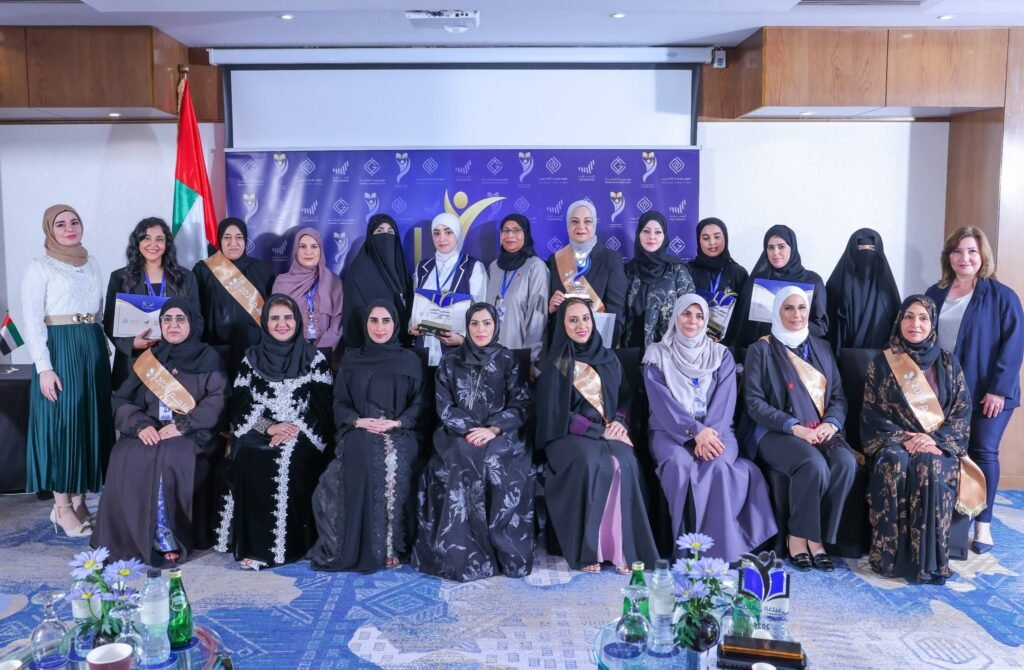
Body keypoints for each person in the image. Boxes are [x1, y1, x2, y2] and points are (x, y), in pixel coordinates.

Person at [91, 298, 228, 565]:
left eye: (180, 319)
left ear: (192, 323)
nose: (173, 325)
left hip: (192, 431)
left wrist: (183, 425)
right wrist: (141, 425)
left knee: (171, 459)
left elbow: (218, 399)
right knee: (125, 454)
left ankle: (166, 539)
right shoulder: (149, 359)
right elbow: (122, 399)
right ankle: (127, 538)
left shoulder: (209, 357)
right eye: (167, 319)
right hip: (150, 427)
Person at [643, 294, 777, 562]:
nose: (692, 321)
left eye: (699, 316)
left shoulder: (721, 355)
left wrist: (707, 433)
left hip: (717, 430)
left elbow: (725, 402)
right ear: (676, 316)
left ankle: (717, 553)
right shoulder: (657, 354)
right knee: (680, 465)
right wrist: (695, 431)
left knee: (717, 465)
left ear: (706, 321)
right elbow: (661, 403)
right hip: (669, 431)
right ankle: (685, 551)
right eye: (686, 314)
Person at [535, 298, 659, 573]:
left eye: (585, 318)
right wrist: (599, 431)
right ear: (562, 325)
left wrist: (620, 423)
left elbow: (627, 398)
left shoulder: (609, 358)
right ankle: (589, 551)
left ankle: (623, 550)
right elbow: (556, 413)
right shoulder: (559, 363)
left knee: (625, 461)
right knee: (591, 464)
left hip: (609, 432)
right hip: (568, 435)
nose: (581, 325)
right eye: (573, 320)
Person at [413, 303, 535, 581]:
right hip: (458, 433)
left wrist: (493, 429)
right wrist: (472, 429)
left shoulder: (508, 360)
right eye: (474, 324)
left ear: (495, 326)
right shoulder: (450, 361)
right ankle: (464, 557)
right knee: (462, 456)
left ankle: (502, 551)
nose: (481, 330)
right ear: (467, 327)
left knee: (493, 461)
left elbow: (521, 405)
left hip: (502, 433)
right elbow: (445, 408)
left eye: (486, 323)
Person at [308, 300, 430, 572]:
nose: (379, 327)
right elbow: (340, 401)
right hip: (359, 429)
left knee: (395, 462)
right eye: (373, 320)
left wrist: (398, 422)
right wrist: (357, 420)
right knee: (364, 457)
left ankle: (391, 546)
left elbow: (421, 403)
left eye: (386, 321)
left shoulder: (410, 360)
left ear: (395, 324)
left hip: (401, 430)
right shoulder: (352, 359)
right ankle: (368, 546)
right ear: (365, 325)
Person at [214, 294, 333, 570]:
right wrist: (267, 426)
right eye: (275, 318)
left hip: (303, 431)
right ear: (265, 323)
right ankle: (252, 544)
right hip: (260, 426)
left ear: (298, 321)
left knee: (282, 456)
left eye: (288, 317)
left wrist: (295, 428)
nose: (282, 324)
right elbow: (240, 404)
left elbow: (322, 408)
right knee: (248, 453)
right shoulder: (251, 358)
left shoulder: (314, 358)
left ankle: (278, 548)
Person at [744, 286, 857, 572]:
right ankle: (798, 537)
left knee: (845, 462)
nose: (797, 314)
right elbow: (754, 403)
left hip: (820, 430)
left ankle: (818, 537)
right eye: (789, 308)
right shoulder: (761, 350)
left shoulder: (822, 347)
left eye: (802, 307)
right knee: (812, 464)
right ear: (777, 312)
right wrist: (793, 426)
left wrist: (831, 423)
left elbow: (838, 396)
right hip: (775, 432)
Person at [925, 226, 1024, 553]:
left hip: (988, 392)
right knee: (950, 452)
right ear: (948, 256)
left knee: (983, 452)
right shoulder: (935, 293)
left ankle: (983, 524)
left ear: (983, 256)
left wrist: (998, 389)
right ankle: (951, 523)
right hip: (944, 393)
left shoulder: (1002, 296)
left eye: (971, 251)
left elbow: (1013, 346)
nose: (964, 258)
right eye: (957, 251)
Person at [861, 296, 972, 584]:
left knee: (929, 464)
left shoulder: (948, 363)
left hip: (935, 444)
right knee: (894, 463)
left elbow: (961, 413)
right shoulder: (882, 363)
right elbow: (871, 414)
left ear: (932, 323)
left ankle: (929, 563)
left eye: (923, 318)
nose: (915, 324)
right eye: (909, 317)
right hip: (893, 443)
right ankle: (890, 560)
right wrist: (903, 438)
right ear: (900, 321)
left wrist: (933, 439)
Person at [21, 204, 115, 537]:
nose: (69, 228)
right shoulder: (40, 267)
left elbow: (98, 312)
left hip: (91, 346)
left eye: (74, 222)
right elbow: (32, 321)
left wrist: (103, 349)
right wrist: (44, 368)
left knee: (88, 422)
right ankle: (61, 507)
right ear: (50, 229)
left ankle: (79, 502)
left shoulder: (92, 262)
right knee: (64, 425)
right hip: (60, 348)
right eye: (60, 224)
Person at [103, 217, 201, 390]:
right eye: (146, 238)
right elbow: (110, 322)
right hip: (133, 364)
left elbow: (197, 320)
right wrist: (132, 344)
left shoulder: (186, 278)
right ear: (137, 242)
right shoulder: (119, 278)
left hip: (175, 362)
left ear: (167, 244)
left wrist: (179, 342)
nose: (153, 244)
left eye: (159, 239)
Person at [193, 218, 276, 378]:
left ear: (245, 240)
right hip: (215, 347)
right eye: (227, 237)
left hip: (254, 348)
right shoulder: (203, 270)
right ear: (220, 240)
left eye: (239, 237)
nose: (233, 243)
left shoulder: (262, 270)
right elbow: (196, 311)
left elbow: (271, 311)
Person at [735, 225, 829, 354]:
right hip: (763, 354)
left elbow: (821, 326)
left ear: (792, 247)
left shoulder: (812, 281)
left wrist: (793, 323)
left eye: (781, 246)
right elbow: (743, 325)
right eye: (770, 247)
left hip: (799, 355)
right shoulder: (757, 282)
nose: (775, 252)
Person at [410, 212, 488, 366]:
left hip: (457, 353)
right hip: (424, 348)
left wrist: (463, 339)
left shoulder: (472, 267)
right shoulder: (423, 268)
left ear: (457, 234)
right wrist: (412, 326)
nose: (442, 239)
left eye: (448, 232)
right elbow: (416, 305)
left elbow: (481, 312)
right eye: (436, 233)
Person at [547, 200, 627, 346]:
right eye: (574, 221)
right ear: (568, 225)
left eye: (587, 221)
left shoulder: (611, 260)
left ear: (594, 224)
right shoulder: (555, 260)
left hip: (598, 344)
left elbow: (616, 312)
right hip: (563, 345)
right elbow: (549, 312)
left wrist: (605, 347)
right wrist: (550, 308)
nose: (581, 226)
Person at [623, 210, 694, 349]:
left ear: (664, 236)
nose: (652, 237)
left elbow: (689, 313)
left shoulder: (677, 271)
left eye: (658, 232)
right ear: (638, 234)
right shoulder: (629, 270)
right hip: (631, 349)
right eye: (646, 231)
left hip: (668, 351)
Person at [485, 214, 550, 365]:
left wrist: (530, 358)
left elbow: (538, 317)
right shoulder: (494, 267)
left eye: (516, 230)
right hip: (490, 355)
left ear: (525, 234)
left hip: (519, 355)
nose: (510, 235)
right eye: (505, 230)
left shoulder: (536, 267)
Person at [342, 213, 413, 349]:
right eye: (379, 231)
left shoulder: (401, 270)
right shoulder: (358, 272)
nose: (385, 236)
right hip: (369, 349)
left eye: (390, 232)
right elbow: (354, 317)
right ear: (371, 236)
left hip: (401, 348)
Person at [825, 228, 901, 354]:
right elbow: (829, 325)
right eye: (860, 248)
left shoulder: (887, 290)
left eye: (872, 248)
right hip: (842, 358)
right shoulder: (836, 285)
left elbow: (896, 326)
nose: (866, 253)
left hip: (879, 358)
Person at [273, 227, 344, 354]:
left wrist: (320, 352)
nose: (308, 252)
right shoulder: (281, 282)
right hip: (291, 352)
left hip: (325, 352)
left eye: (314, 246)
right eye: (302, 246)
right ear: (296, 250)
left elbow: (338, 320)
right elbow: (277, 321)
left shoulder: (334, 281)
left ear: (320, 250)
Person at [686, 217, 749, 346]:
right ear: (698, 241)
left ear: (725, 238)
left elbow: (743, 314)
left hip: (728, 346)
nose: (712, 242)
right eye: (706, 238)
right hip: (692, 344)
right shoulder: (687, 271)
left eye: (717, 237)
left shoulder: (739, 273)